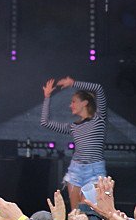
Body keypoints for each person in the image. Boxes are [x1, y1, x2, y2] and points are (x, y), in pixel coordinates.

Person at [41, 76, 107, 208]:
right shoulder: (73, 126)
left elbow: (99, 89)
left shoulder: (99, 119)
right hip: (76, 170)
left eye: (73, 102)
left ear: (85, 102)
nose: (70, 105)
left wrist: (73, 83)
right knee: (75, 213)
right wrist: (47, 97)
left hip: (94, 171)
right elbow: (45, 122)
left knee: (87, 210)